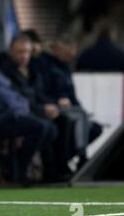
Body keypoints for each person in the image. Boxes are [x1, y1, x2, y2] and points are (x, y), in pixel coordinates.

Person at [0, 33, 57, 185]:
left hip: (7, 116)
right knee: (39, 127)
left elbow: (12, 94)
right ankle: (18, 172)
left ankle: (17, 168)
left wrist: (23, 110)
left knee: (49, 128)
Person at [0, 34, 72, 181]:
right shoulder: (5, 71)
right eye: (20, 52)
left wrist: (54, 104)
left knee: (63, 121)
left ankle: (57, 169)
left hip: (34, 110)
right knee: (46, 127)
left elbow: (37, 94)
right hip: (15, 113)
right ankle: (18, 169)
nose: (24, 55)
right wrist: (42, 109)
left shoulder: (32, 71)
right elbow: (17, 99)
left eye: (27, 52)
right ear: (11, 51)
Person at [35, 34, 103, 169]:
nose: (71, 55)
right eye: (68, 51)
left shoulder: (65, 67)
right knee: (77, 118)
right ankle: (80, 158)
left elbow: (72, 94)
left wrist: (79, 107)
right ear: (56, 48)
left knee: (95, 128)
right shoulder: (43, 64)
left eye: (72, 52)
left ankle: (66, 158)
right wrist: (55, 101)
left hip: (69, 108)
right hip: (51, 106)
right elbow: (39, 91)